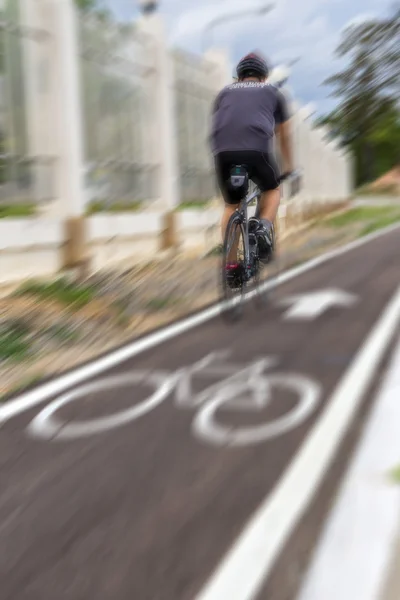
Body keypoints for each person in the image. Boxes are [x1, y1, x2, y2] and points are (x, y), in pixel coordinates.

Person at [210, 51, 294, 263]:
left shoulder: (224, 93)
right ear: (264, 77)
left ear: (238, 77)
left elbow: (223, 122)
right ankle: (262, 227)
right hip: (256, 150)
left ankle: (230, 266)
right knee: (272, 189)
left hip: (223, 152)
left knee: (231, 205)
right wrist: (288, 166)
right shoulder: (273, 92)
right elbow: (284, 135)